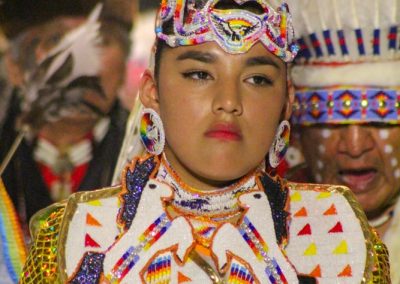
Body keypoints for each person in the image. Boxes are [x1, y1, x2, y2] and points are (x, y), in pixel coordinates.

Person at [21, 0, 389, 283]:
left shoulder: (335, 232)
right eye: (199, 73)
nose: (228, 102)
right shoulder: (78, 235)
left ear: (287, 102)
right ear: (152, 91)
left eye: (258, 79)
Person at [286, 0, 400, 282]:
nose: (355, 145)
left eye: (378, 120)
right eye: (328, 122)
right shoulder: (267, 238)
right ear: (297, 136)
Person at [0, 0, 135, 236]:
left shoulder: (153, 163)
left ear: (124, 67)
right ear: (15, 66)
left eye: (99, 41)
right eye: (56, 39)